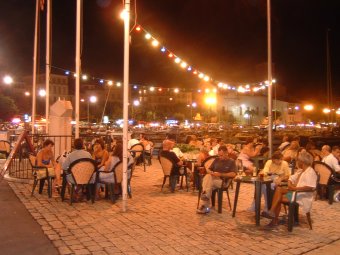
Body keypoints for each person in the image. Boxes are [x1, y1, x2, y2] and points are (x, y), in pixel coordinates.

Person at [266, 151, 317, 227]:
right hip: (294, 193)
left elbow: (310, 187)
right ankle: (272, 214)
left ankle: (273, 217)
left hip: (301, 196)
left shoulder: (310, 172)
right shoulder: (301, 171)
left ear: (302, 162)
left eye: (298, 160)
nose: (297, 162)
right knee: (279, 190)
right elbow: (291, 178)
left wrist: (294, 188)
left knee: (278, 198)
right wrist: (290, 184)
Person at [197, 145, 237, 214]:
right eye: (219, 155)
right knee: (208, 178)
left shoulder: (231, 161)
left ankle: (204, 203)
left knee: (207, 182)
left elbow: (233, 174)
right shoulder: (216, 160)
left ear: (226, 153)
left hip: (223, 181)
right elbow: (209, 169)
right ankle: (206, 199)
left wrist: (220, 174)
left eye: (221, 155)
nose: (220, 157)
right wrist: (210, 172)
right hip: (213, 179)